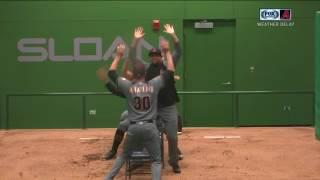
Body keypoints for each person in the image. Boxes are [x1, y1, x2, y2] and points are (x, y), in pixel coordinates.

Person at [104, 39, 175, 180]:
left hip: (133, 128)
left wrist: (118, 55)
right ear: (145, 73)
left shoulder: (128, 86)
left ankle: (108, 178)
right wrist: (167, 52)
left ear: (134, 74)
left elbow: (111, 73)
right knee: (156, 160)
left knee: (124, 155)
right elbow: (171, 71)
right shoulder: (153, 84)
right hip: (150, 127)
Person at [130, 24, 182, 173]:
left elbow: (178, 51)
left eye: (156, 55)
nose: (154, 57)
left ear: (160, 56)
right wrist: (135, 40)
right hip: (152, 108)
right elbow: (133, 57)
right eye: (152, 55)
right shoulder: (146, 68)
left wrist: (173, 35)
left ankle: (174, 162)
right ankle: (139, 159)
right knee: (142, 131)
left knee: (172, 136)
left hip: (169, 107)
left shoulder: (167, 65)